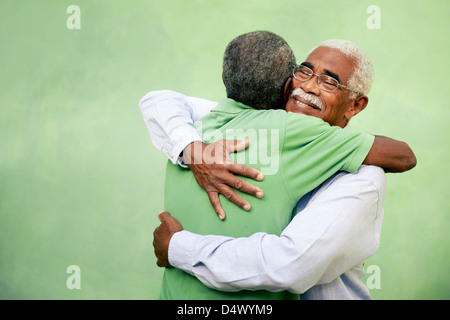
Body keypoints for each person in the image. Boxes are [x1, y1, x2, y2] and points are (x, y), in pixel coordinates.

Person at [140, 32, 416, 299]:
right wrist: (192, 150)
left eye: (329, 83)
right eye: (304, 72)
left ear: (355, 105)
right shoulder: (253, 126)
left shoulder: (361, 179)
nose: (308, 87)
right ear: (287, 82)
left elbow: (286, 267)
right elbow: (161, 101)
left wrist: (177, 247)